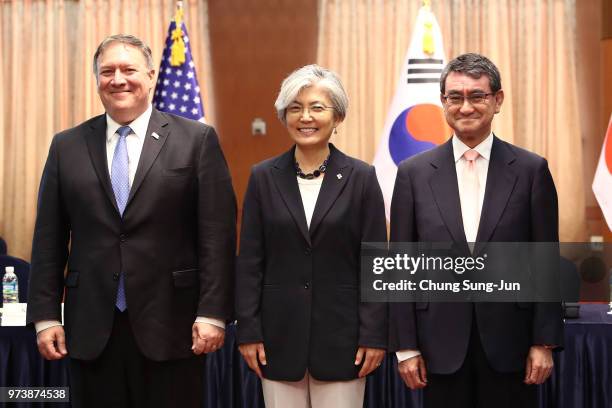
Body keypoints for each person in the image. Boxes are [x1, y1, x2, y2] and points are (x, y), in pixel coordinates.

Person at [26, 34, 236, 408]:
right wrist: (44, 316)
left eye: (128, 69)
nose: (118, 79)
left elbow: (216, 237)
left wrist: (213, 313)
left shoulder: (196, 140)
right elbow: (48, 239)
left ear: (152, 76)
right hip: (90, 327)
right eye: (107, 71)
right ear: (97, 80)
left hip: (174, 325)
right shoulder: (66, 146)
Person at [389, 53, 563, 408]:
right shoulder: (413, 174)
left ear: (497, 100)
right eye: (455, 97)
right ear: (443, 102)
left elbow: (545, 261)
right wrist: (405, 347)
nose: (465, 106)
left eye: (477, 96)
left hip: (510, 345)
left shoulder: (531, 170)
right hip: (437, 345)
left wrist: (543, 342)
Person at [235, 64, 387, 408]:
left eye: (317, 107)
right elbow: (250, 262)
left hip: (344, 340)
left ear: (338, 117)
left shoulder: (362, 178)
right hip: (277, 338)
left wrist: (375, 334)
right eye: (295, 108)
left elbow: (376, 263)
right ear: (284, 116)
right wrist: (248, 330)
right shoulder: (262, 177)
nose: (306, 117)